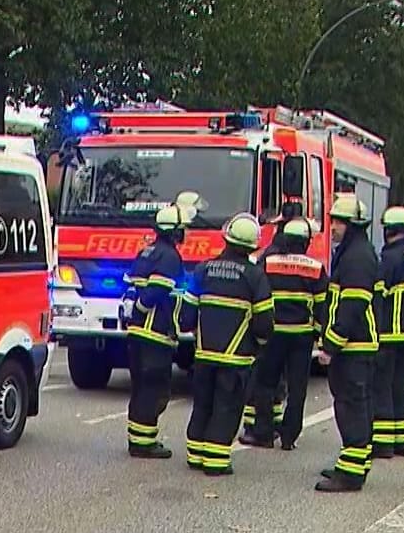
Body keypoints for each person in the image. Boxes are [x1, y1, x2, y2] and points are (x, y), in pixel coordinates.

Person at [180, 213, 274, 476]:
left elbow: (187, 315)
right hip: (236, 359)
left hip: (204, 355)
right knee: (227, 407)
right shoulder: (255, 277)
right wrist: (260, 343)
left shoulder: (203, 269)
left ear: (227, 238)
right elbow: (264, 322)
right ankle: (216, 461)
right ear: (252, 245)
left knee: (203, 404)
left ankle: (195, 454)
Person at [239, 217, 329, 451]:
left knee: (265, 383)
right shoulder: (316, 268)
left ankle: (264, 433)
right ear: (306, 242)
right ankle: (289, 437)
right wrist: (321, 337)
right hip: (302, 337)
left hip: (273, 333)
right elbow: (322, 307)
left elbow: (256, 294)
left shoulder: (268, 263)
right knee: (297, 388)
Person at [315, 194, 380, 493]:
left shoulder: (357, 258)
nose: (335, 227)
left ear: (354, 225)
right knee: (354, 404)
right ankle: (352, 463)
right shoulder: (354, 252)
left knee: (351, 406)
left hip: (353, 347)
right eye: (333, 221)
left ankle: (351, 475)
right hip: (354, 346)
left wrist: (330, 345)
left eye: (339, 221)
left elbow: (351, 307)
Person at [121, 201, 194, 459]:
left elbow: (130, 287)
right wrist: (142, 308)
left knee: (141, 387)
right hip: (156, 334)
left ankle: (138, 439)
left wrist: (133, 314)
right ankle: (143, 444)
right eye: (182, 228)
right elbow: (157, 290)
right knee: (155, 388)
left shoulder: (146, 252)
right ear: (174, 231)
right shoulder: (170, 257)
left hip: (138, 334)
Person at [370, 206, 404, 461]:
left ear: (389, 229)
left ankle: (382, 444)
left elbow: (378, 296)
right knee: (400, 387)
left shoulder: (388, 259)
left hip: (389, 334)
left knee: (382, 387)